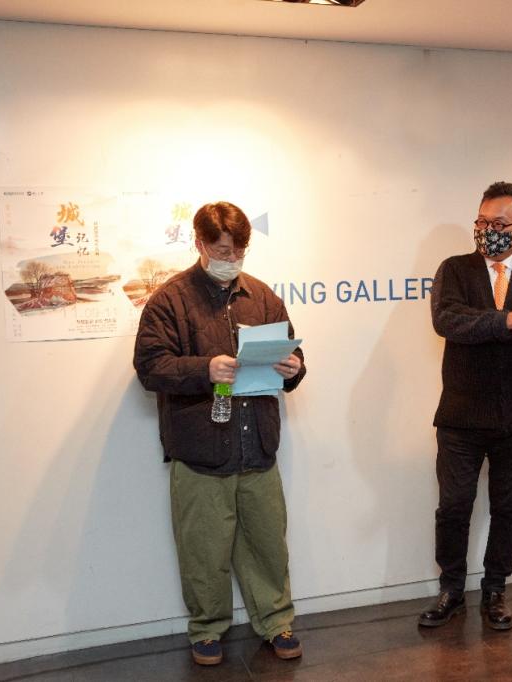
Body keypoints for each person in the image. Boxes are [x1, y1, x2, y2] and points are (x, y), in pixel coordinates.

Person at [133, 202, 306, 665]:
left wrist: (294, 369)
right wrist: (204, 369)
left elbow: (292, 358)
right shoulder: (170, 300)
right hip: (201, 451)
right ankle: (207, 629)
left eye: (240, 250)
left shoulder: (263, 297)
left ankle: (276, 621)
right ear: (200, 243)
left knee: (268, 545)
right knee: (203, 551)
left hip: (257, 446)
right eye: (223, 250)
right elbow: (149, 367)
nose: (232, 258)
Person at [418, 181, 512, 631]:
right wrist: (510, 319)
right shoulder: (454, 269)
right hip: (461, 417)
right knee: (454, 507)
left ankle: (496, 589)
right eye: (482, 222)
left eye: (500, 223)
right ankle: (451, 588)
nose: (489, 231)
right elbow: (448, 321)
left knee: (508, 508)